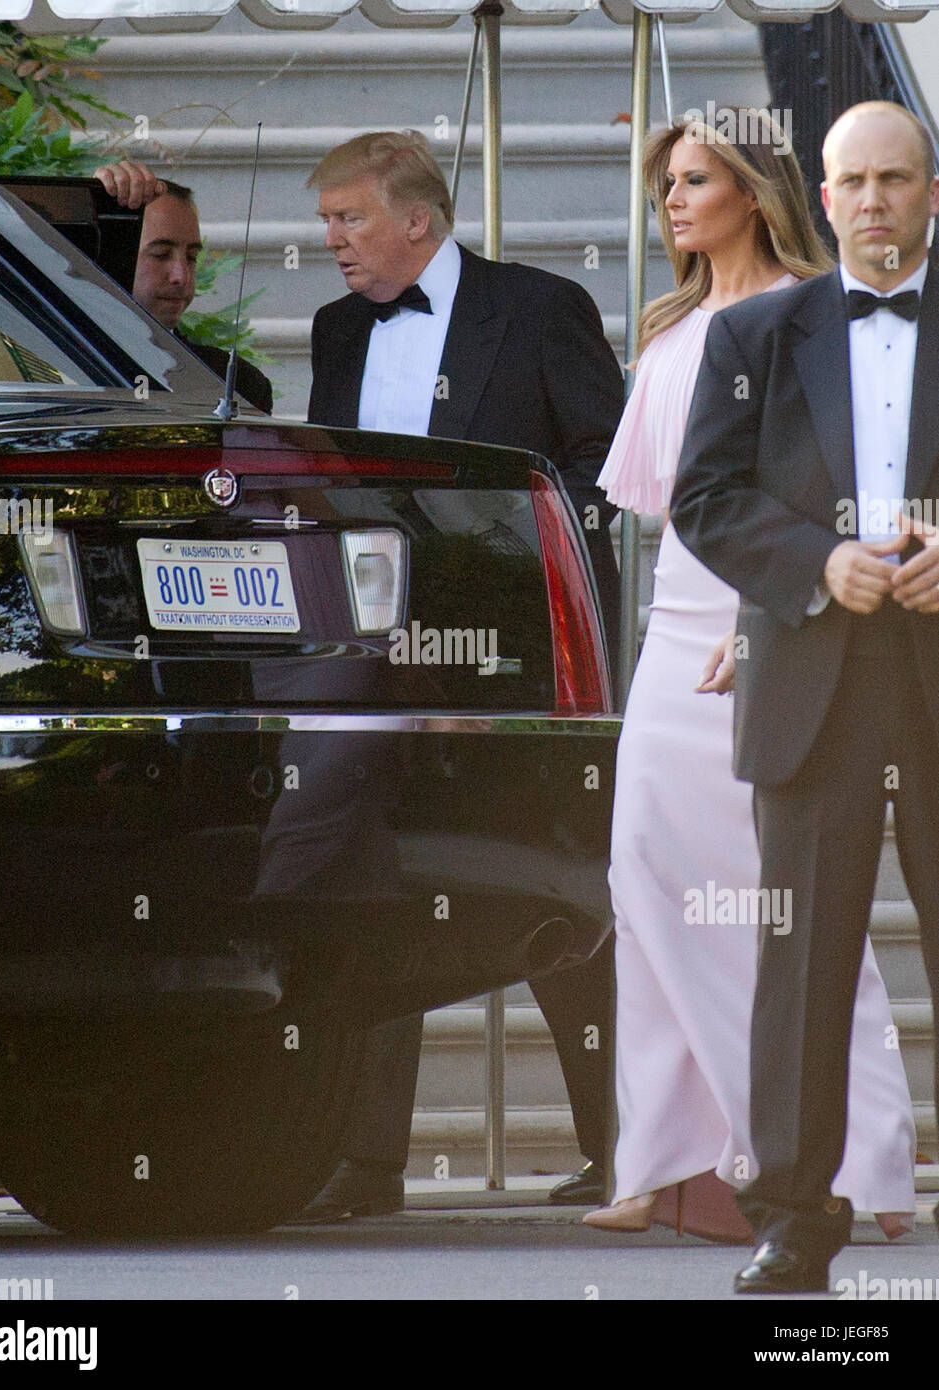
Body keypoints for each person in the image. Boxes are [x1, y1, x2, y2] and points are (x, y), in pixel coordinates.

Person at [584, 107, 917, 1247]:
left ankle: (869, 1159)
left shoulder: (805, 317)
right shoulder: (683, 329)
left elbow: (796, 495)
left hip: (783, 630)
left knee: (793, 909)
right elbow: (687, 504)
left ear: (755, 191)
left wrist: (765, 614)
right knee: (655, 885)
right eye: (666, 183)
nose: (673, 201)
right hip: (694, 634)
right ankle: (668, 1161)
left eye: (695, 180)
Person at [300, 129, 625, 1219]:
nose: (331, 238)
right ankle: (363, 1162)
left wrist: (504, 560)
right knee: (369, 879)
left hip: (515, 655)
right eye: (326, 220)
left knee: (551, 878)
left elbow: (605, 464)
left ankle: (622, 1148)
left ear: (417, 218)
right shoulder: (336, 328)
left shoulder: (537, 308)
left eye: (347, 216)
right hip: (368, 652)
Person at [670, 100, 939, 1293]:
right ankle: (791, 1213)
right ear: (823, 200)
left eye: (897, 179)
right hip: (813, 669)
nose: (875, 200)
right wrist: (816, 563)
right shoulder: (754, 335)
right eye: (854, 182)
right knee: (802, 959)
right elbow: (705, 496)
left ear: (932, 194)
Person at [93, 159, 273, 414]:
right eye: (161, 254)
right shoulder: (56, 362)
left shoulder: (238, 385)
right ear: (108, 254)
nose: (182, 276)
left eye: (191, 257)